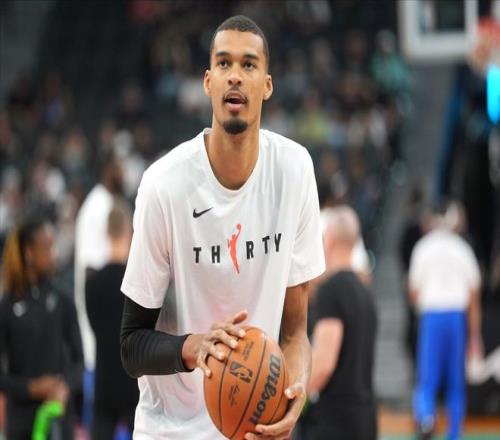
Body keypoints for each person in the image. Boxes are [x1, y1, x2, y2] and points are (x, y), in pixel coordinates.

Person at [119, 15, 325, 440]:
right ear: (208, 82)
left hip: (251, 430)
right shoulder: (164, 186)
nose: (235, 75)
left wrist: (295, 391)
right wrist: (192, 347)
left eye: (249, 65)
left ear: (267, 85)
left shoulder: (294, 170)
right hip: (169, 431)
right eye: (224, 63)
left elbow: (295, 333)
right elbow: (131, 345)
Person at [0, 215, 83, 439]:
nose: (54, 254)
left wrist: (64, 387)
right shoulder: (6, 306)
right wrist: (31, 387)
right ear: (29, 252)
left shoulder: (63, 298)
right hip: (21, 423)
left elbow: (79, 361)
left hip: (58, 419)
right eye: (47, 247)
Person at [409, 201, 482, 440]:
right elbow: (473, 296)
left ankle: (426, 420)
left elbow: (414, 292)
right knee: (455, 380)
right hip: (455, 319)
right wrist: (474, 335)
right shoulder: (463, 249)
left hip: (432, 317)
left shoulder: (423, 248)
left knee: (427, 378)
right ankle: (454, 433)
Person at [306, 205, 378, 440]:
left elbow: (324, 364)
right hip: (366, 418)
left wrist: (289, 404)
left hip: (335, 420)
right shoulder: (366, 293)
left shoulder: (331, 289)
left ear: (328, 239)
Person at [86, 199, 139, 439]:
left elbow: (94, 325)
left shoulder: (92, 282)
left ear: (107, 232)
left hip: (104, 380)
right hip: (133, 380)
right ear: (129, 231)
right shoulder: (137, 281)